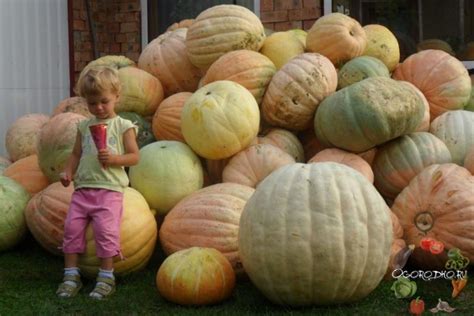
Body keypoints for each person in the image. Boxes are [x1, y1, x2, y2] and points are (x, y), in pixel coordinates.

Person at [56, 65, 140, 299]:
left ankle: (106, 277)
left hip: (109, 191)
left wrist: (114, 159)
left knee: (105, 232)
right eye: (92, 104)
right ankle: (71, 276)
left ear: (117, 97)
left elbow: (134, 157)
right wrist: (67, 172)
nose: (99, 107)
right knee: (71, 229)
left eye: (104, 101)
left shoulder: (123, 126)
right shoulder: (84, 127)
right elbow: (75, 154)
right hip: (82, 190)